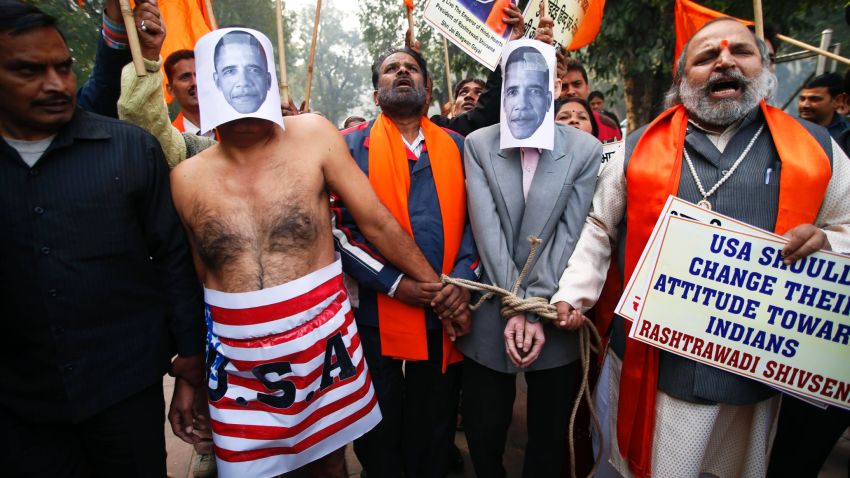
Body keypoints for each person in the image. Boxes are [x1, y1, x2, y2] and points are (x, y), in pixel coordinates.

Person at [554, 17, 850, 478]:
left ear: (764, 67)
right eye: (707, 56)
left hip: (751, 367)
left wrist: (828, 241)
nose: (725, 61)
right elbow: (599, 225)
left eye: (741, 52)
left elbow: (846, 225)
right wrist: (574, 294)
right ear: (682, 76)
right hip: (650, 361)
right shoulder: (637, 147)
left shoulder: (815, 148)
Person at [173, 29, 448, 477]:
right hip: (238, 359)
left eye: (252, 68)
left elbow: (375, 221)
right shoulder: (184, 178)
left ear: (269, 78)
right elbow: (196, 278)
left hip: (322, 343)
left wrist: (434, 287)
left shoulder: (314, 135)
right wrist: (189, 373)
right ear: (208, 84)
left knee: (330, 465)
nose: (242, 80)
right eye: (228, 71)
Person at [0, 2, 206, 475]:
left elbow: (173, 260)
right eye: (28, 70)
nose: (55, 84)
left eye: (63, 67)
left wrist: (190, 361)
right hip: (17, 404)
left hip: (124, 390)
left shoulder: (129, 150)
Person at [458, 40, 602, 477]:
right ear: (502, 93)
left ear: (554, 88)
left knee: (549, 433)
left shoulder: (583, 149)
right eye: (512, 90)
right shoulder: (480, 143)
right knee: (484, 430)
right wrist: (513, 305)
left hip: (552, 305)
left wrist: (534, 306)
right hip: (493, 305)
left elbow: (570, 232)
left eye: (535, 89)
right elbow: (488, 231)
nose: (523, 101)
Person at [334, 46, 479, 478]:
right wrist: (397, 284)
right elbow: (339, 228)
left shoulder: (456, 146)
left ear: (428, 88)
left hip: (445, 307)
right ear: (376, 90)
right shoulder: (348, 146)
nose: (401, 72)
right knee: (378, 416)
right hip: (374, 312)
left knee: (433, 420)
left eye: (411, 68)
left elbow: (480, 221)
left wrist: (462, 282)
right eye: (391, 69)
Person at [560, 58, 622, 142]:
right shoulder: (544, 130)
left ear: (587, 87)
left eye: (577, 84)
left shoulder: (609, 126)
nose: (571, 91)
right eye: (563, 87)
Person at [213, 30, 272, 114]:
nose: (243, 82)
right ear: (218, 82)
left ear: (268, 80)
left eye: (254, 70)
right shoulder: (208, 127)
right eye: (230, 71)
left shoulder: (289, 124)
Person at [502, 45, 553, 140]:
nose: (522, 105)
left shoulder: (583, 147)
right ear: (504, 102)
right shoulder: (477, 145)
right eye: (512, 92)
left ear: (548, 101)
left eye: (534, 91)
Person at [164, 49, 214, 138]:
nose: (194, 82)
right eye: (185, 77)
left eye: (199, 75)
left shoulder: (233, 126)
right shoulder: (169, 141)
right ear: (171, 90)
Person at [798, 72, 849, 139]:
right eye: (802, 99)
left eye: (814, 99)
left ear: (837, 101)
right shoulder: (786, 129)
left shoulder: (846, 135)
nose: (805, 105)